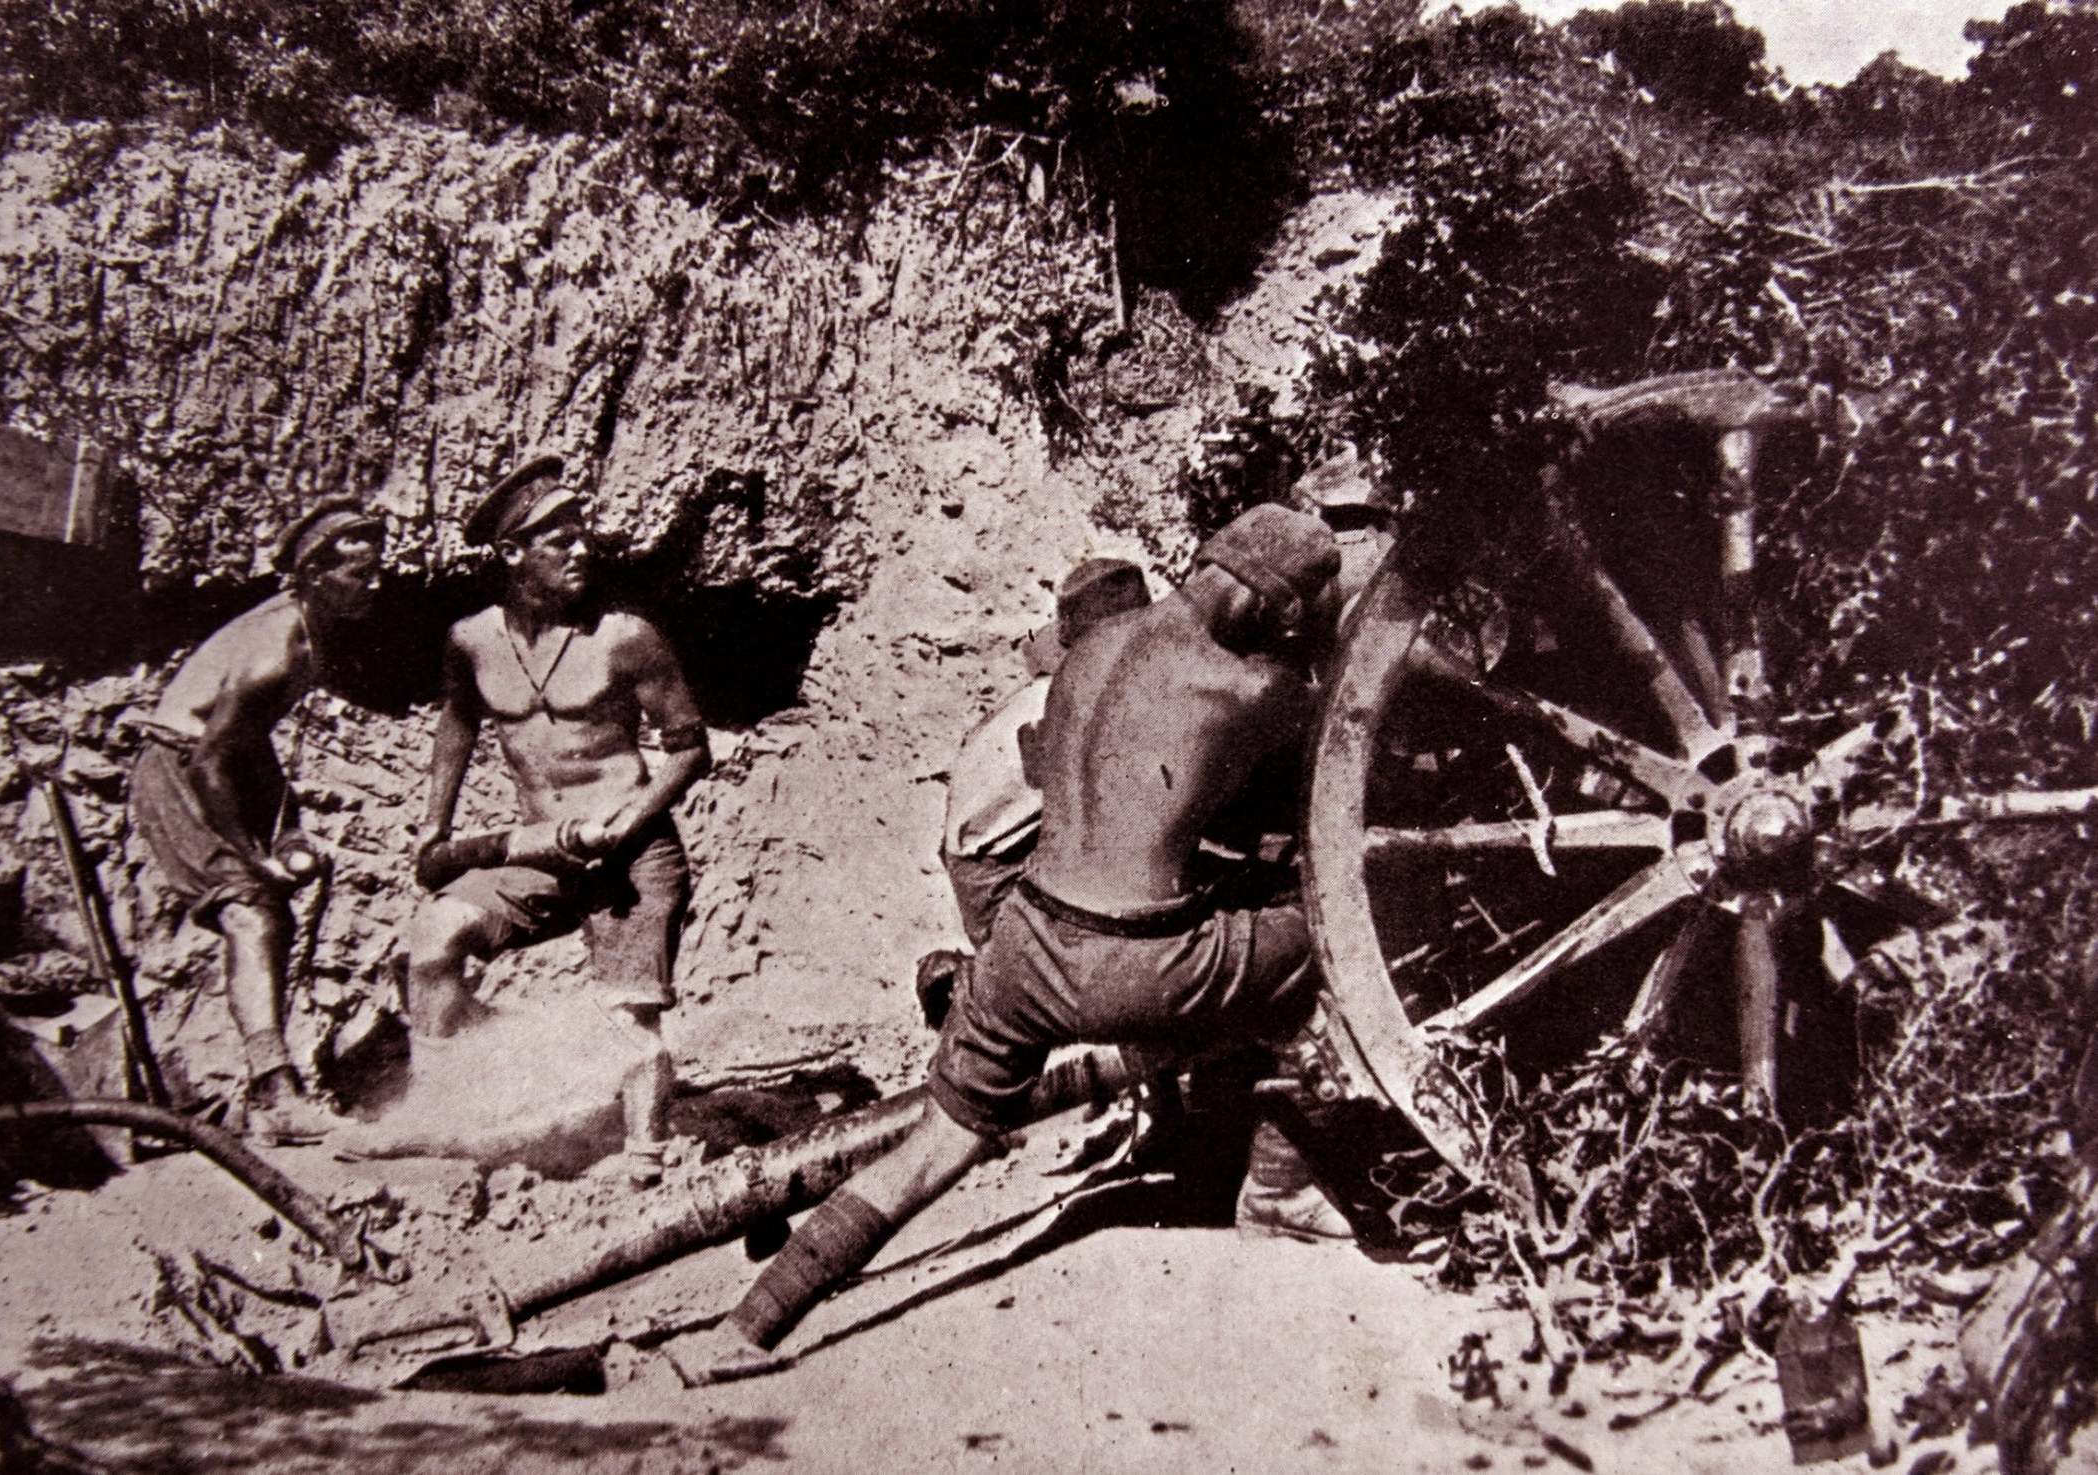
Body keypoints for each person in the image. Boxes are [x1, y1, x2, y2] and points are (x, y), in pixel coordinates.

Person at [667, 503, 1355, 1385]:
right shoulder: (1257, 689)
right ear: (1280, 609)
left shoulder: (1092, 648)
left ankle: (744, 1331)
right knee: (1325, 953)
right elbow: (1340, 751)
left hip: (1023, 942)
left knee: (934, 1145)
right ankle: (1281, 1190)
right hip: (1135, 960)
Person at [403, 453, 708, 1187]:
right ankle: (440, 1114)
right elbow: (457, 724)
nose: (581, 550)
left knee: (629, 1021)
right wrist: (434, 825)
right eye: (559, 540)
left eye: (582, 535)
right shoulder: (472, 640)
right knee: (433, 939)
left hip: (632, 857)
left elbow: (690, 748)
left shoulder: (624, 637)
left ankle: (645, 1161)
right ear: (513, 554)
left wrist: (628, 819)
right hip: (541, 854)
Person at [128, 500, 385, 1145]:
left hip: (222, 763)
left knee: (270, 915)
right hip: (180, 768)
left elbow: (250, 742)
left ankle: (264, 1092)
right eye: (361, 574)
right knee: (250, 913)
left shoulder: (310, 631)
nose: (375, 584)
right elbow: (210, 758)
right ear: (316, 576)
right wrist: (255, 853)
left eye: (376, 570)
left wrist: (287, 826)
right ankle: (275, 1095)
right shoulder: (276, 648)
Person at [918, 557, 1151, 1026]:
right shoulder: (1083, 703)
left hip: (985, 862)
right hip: (1002, 889)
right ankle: (987, 986)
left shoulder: (1054, 683)